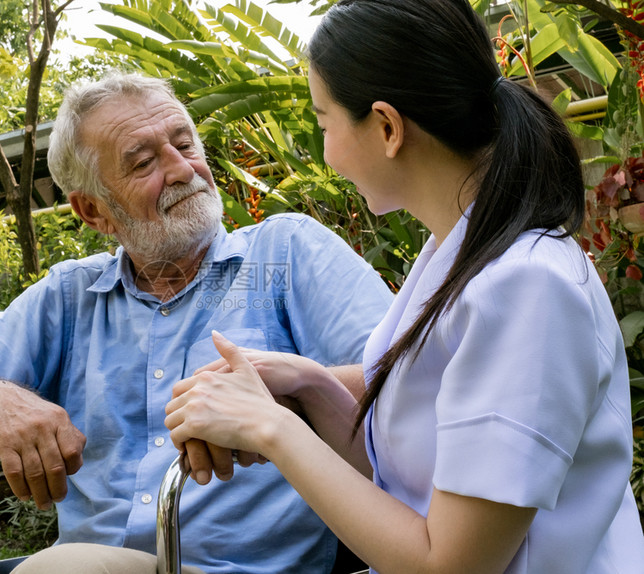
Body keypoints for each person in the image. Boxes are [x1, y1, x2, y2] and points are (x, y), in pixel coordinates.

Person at [0, 72, 392, 574]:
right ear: (92, 210)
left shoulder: (287, 252)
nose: (181, 169)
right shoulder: (69, 295)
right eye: (144, 162)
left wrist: (276, 389)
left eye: (185, 144)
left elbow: (402, 379)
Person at [165, 0, 644, 573]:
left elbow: (448, 566)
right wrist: (310, 383)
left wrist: (270, 428)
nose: (326, 152)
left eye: (325, 123)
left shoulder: (526, 288)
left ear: (388, 128)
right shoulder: (456, 252)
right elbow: (399, 473)